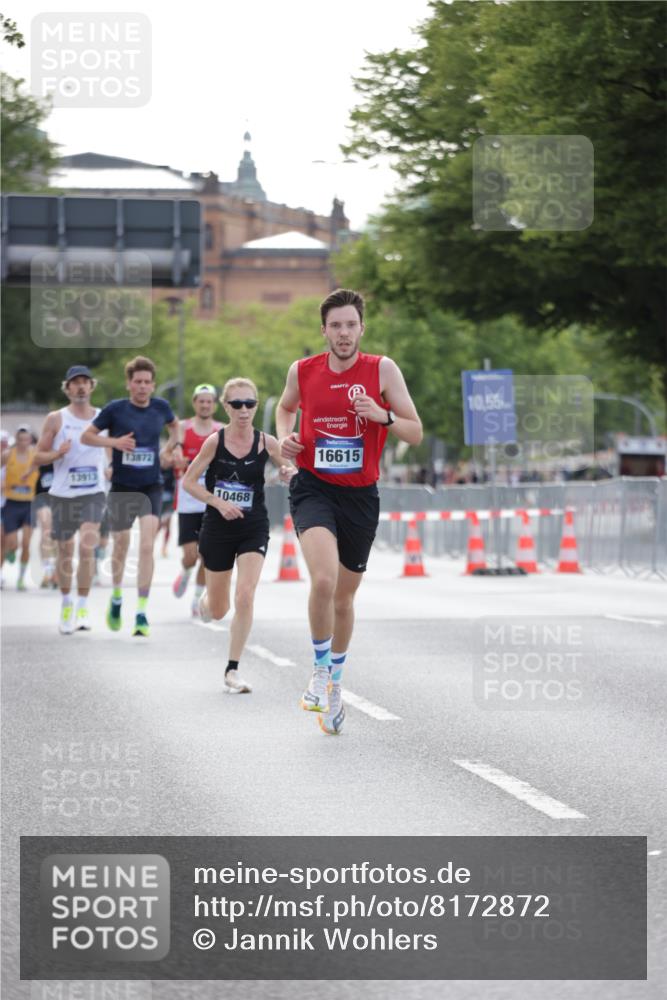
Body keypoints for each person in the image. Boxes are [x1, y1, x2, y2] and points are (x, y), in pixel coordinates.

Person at [276, 288, 423, 735]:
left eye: (351, 325)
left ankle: (336, 682)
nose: (343, 333)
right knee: (323, 580)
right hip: (313, 487)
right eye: (335, 326)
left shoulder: (382, 370)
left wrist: (381, 415)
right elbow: (285, 408)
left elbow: (414, 432)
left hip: (360, 495)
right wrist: (285, 442)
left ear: (362, 329)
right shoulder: (303, 370)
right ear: (324, 330)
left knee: (343, 598)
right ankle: (320, 671)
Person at [182, 377, 294, 692]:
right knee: (219, 610)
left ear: (256, 406)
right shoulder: (214, 442)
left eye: (250, 404)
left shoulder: (267, 442)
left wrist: (287, 473)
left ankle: (232, 670)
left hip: (252, 526)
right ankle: (206, 601)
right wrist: (218, 502)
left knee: (245, 595)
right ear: (226, 407)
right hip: (217, 528)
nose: (244, 410)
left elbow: (290, 470)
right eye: (237, 404)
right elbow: (189, 482)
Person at [80, 356, 180, 637]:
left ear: (153, 385)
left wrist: (170, 449)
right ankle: (116, 597)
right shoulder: (115, 409)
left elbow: (175, 426)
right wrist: (114, 443)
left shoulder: (161, 407)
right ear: (129, 384)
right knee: (121, 545)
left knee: (147, 546)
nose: (142, 386)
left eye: (147, 382)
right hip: (123, 486)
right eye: (138, 382)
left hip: (151, 486)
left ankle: (141, 612)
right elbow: (87, 436)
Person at [34, 366, 108, 633]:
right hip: (63, 493)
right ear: (67, 389)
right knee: (66, 550)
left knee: (87, 547)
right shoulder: (56, 419)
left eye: (85, 382)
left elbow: (110, 452)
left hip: (93, 492)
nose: (80, 387)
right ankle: (67, 603)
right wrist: (57, 454)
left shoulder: (102, 417)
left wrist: (111, 467)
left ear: (91, 387)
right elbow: (37, 456)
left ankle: (83, 606)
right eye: (75, 383)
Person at [170, 384, 222, 618]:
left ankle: (196, 599)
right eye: (201, 401)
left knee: (207, 554)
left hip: (212, 501)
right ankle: (185, 571)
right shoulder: (182, 429)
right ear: (194, 403)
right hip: (188, 501)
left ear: (215, 405)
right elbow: (165, 455)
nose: (205, 405)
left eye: (209, 401)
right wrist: (174, 458)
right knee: (191, 556)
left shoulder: (220, 431)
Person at [1, 425, 39, 590]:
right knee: (12, 544)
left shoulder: (36, 454)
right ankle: (11, 551)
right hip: (11, 503)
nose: (23, 443)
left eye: (26, 439)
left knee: (26, 543)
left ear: (30, 440)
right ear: (16, 440)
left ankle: (21, 579)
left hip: (29, 503)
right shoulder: (8, 454)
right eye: (20, 439)